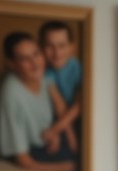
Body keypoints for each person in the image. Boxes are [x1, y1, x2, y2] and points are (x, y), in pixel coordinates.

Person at [0, 32, 75, 171]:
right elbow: (23, 160)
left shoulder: (43, 76)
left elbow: (54, 110)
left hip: (48, 140)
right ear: (12, 64)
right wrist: (67, 168)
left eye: (36, 54)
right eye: (24, 59)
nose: (34, 63)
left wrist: (55, 134)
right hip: (32, 153)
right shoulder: (11, 93)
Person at [39, 20, 82, 158]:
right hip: (61, 118)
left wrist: (54, 130)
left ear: (71, 47)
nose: (56, 53)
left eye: (62, 46)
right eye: (50, 46)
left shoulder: (78, 67)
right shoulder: (45, 72)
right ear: (41, 48)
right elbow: (59, 105)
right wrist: (71, 137)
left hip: (79, 113)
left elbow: (80, 103)